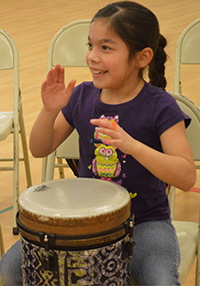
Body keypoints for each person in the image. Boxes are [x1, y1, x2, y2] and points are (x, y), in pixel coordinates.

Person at [0, 1, 196, 285]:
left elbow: (186, 175)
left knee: (161, 281)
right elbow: (40, 148)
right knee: (10, 269)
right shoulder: (82, 96)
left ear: (142, 57)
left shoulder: (160, 106)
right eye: (90, 45)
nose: (92, 56)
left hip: (144, 223)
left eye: (106, 47)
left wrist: (132, 145)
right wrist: (49, 109)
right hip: (85, 224)